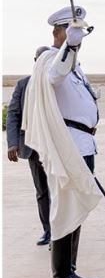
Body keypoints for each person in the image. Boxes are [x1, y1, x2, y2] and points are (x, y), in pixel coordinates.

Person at [24, 6, 104, 278]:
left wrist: (71, 50)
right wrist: (68, 46)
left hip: (83, 144)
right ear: (58, 32)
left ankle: (70, 270)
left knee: (76, 208)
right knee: (64, 209)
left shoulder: (74, 65)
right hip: (68, 146)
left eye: (80, 32)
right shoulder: (50, 60)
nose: (78, 37)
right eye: (72, 30)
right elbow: (55, 76)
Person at [6, 46, 52, 246]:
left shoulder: (56, 83)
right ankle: (48, 231)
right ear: (35, 61)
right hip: (32, 147)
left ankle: (61, 232)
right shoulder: (23, 84)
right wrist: (12, 143)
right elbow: (13, 114)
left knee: (60, 191)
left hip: (53, 147)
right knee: (42, 191)